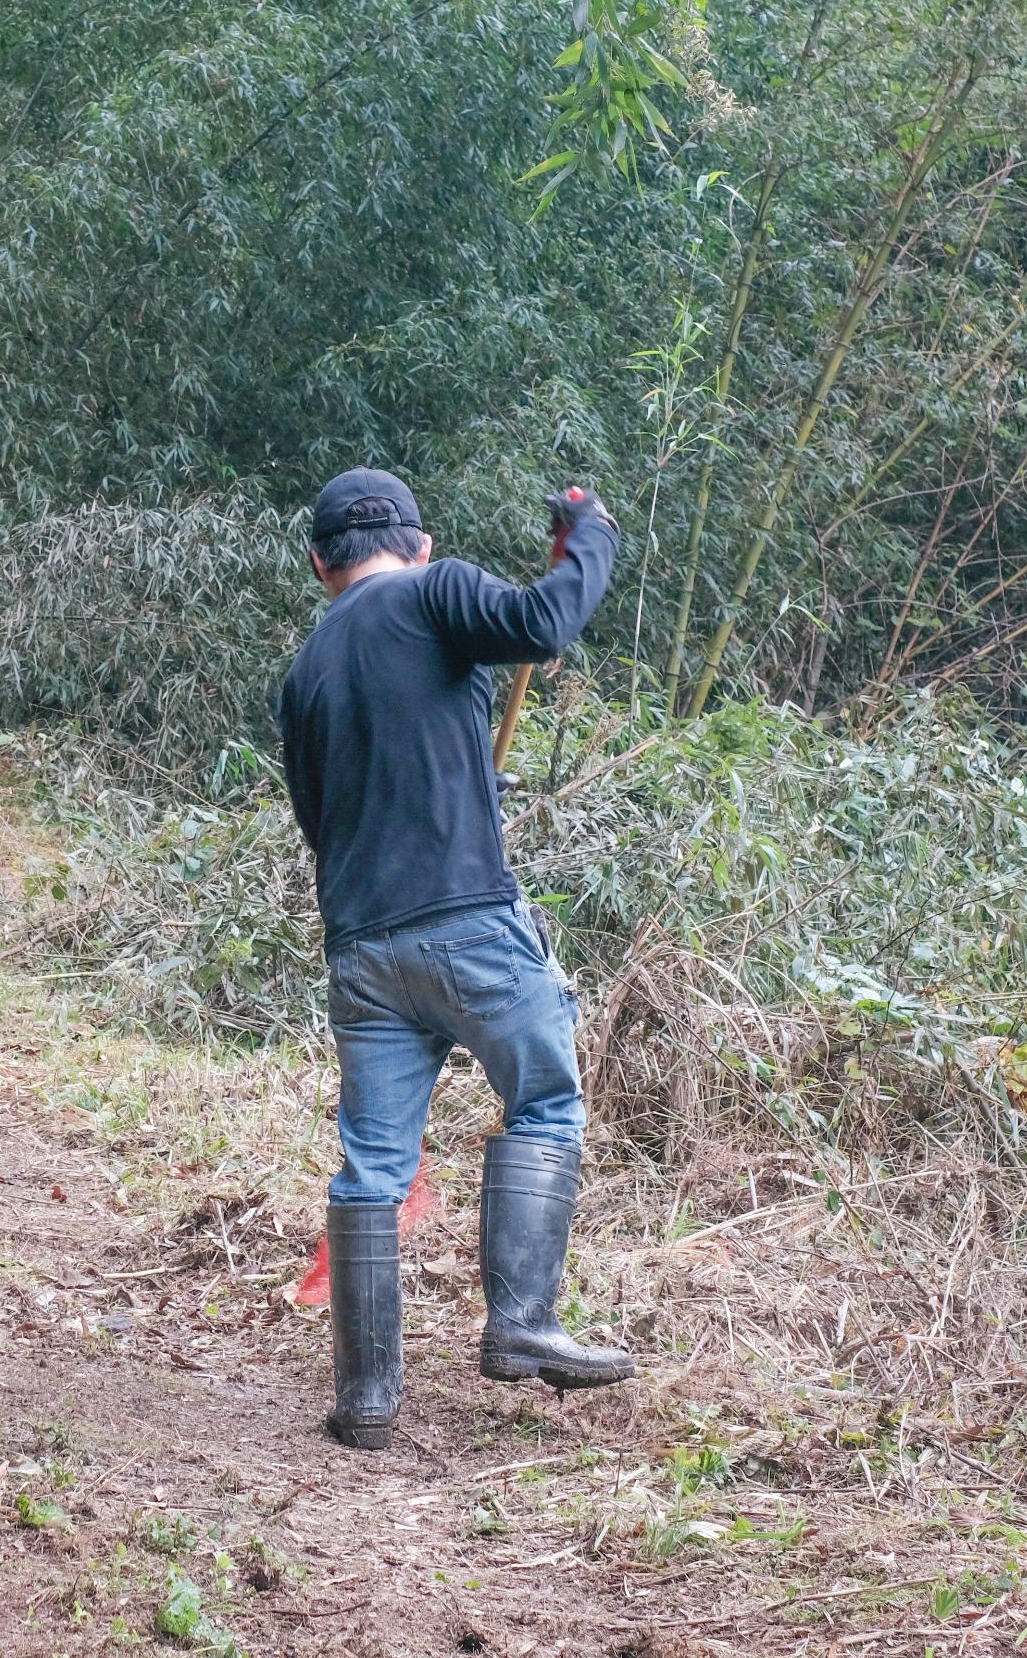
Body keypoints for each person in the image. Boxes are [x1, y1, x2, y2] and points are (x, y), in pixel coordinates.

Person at [277, 468, 633, 1451]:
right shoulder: (435, 592)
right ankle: (519, 1321)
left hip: (361, 947)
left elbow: (327, 816)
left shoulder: (305, 665)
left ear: (320, 565)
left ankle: (366, 1397)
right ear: (421, 544)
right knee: (546, 1094)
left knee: (372, 1165)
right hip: (467, 923)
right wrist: (588, 535)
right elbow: (546, 623)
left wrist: (473, 776)